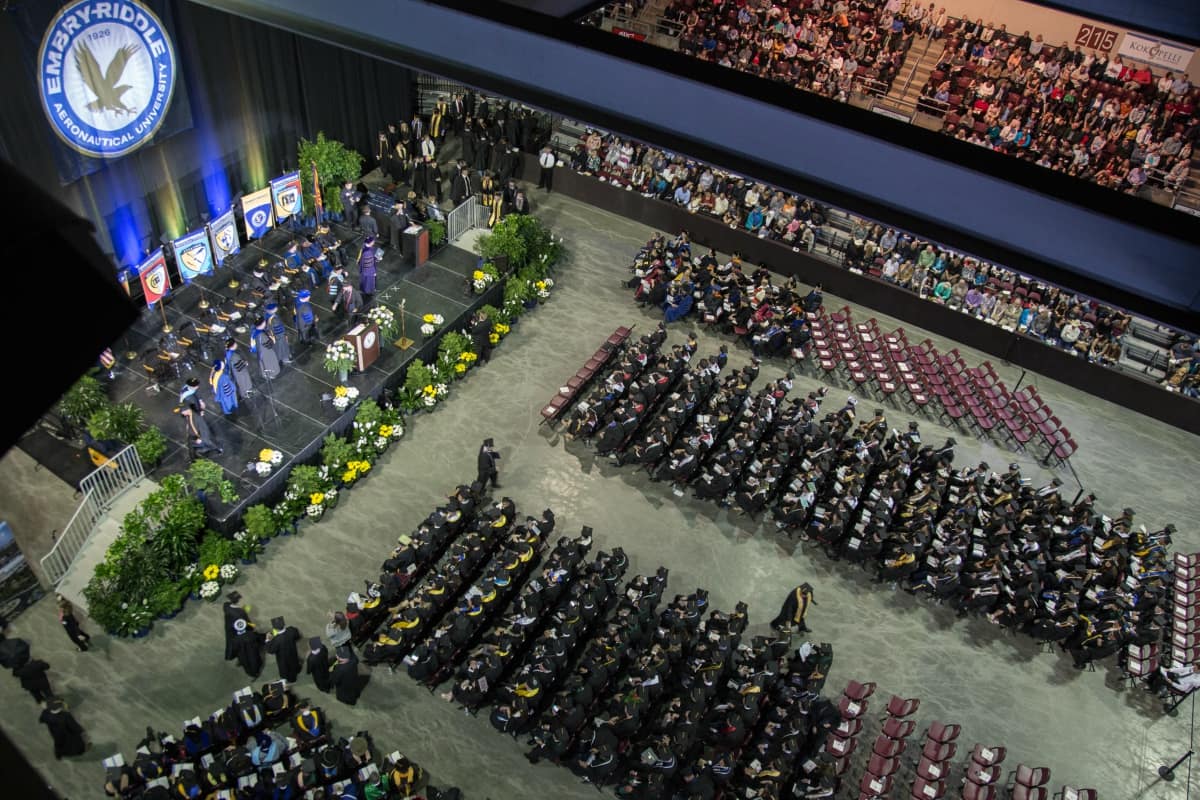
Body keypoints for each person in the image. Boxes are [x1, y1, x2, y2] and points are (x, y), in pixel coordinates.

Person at [265, 616, 302, 684]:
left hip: (283, 658)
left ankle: (291, 679)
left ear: (274, 628)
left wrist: (268, 640)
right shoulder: (291, 630)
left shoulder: (276, 640)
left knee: (286, 668)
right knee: (294, 662)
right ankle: (296, 672)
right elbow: (297, 636)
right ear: (284, 624)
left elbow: (270, 650)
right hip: (292, 652)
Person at [358, 237, 379, 306]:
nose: (374, 242)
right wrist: (377, 259)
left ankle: (366, 290)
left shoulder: (364, 248)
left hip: (364, 270)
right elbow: (369, 264)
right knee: (368, 282)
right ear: (370, 243)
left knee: (365, 280)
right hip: (368, 271)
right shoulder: (367, 253)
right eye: (373, 241)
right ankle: (368, 292)